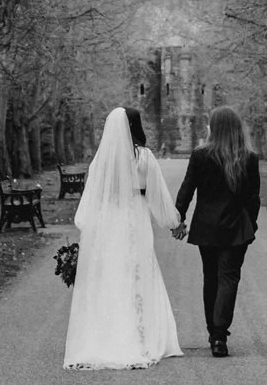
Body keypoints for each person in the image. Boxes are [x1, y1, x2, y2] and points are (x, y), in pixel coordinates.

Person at [63, 106, 184, 370]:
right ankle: (140, 336)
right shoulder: (144, 158)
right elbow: (159, 198)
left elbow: (86, 208)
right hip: (135, 221)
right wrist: (175, 223)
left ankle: (106, 336)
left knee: (110, 277)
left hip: (108, 225)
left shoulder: (101, 161)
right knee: (137, 275)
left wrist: (87, 228)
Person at [171, 106, 261, 358]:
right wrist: (250, 224)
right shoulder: (248, 157)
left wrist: (178, 219)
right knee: (229, 279)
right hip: (236, 228)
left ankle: (214, 332)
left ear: (214, 127)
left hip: (207, 226)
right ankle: (219, 335)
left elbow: (187, 190)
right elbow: (253, 198)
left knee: (211, 278)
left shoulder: (201, 155)